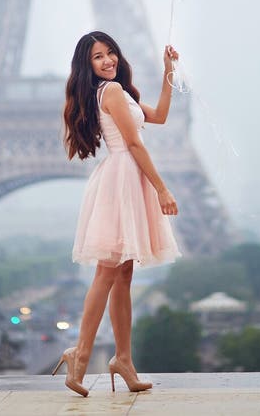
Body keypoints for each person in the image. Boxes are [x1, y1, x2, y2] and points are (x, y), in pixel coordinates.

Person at [52, 31, 181, 397]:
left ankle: (123, 359)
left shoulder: (117, 91)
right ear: (86, 65)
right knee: (107, 273)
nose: (107, 60)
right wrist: (162, 189)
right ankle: (81, 352)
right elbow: (135, 143)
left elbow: (158, 116)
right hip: (125, 177)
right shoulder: (109, 92)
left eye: (111, 53)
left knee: (123, 274)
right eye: (98, 56)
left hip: (125, 178)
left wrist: (168, 71)